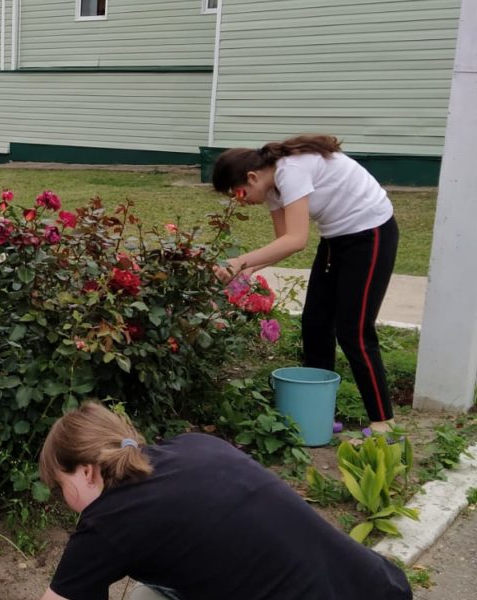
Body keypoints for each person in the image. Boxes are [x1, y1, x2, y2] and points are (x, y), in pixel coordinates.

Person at [38, 402, 413, 600]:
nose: (63, 500)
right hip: (378, 587)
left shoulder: (109, 520)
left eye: (60, 486)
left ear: (87, 471)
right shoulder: (194, 445)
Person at [211, 135, 399, 432]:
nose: (241, 201)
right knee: (316, 323)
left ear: (251, 177)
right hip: (337, 238)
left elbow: (297, 240)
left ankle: (383, 424)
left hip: (371, 234)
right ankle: (319, 415)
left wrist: (239, 261)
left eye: (239, 193)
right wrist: (244, 271)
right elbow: (283, 243)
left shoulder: (291, 171)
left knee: (354, 331)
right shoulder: (272, 186)